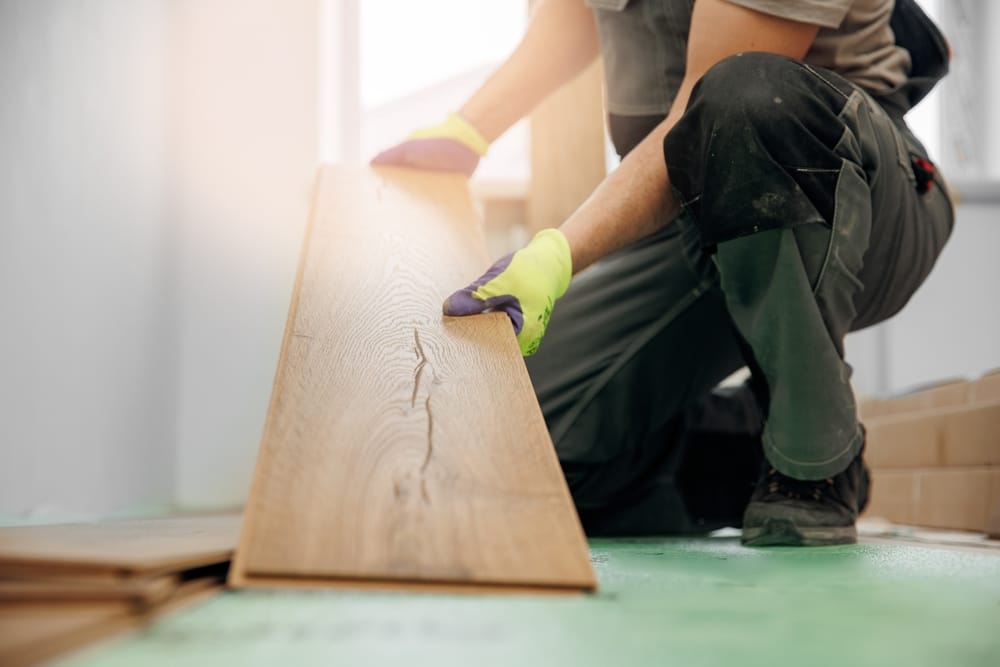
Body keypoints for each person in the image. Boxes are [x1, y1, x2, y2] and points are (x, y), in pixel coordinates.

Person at [372, 0, 954, 546]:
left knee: (747, 99)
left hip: (844, 191)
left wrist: (557, 254)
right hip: (693, 202)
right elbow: (578, 15)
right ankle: (740, 449)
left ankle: (814, 457)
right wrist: (469, 132)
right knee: (501, 450)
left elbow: (708, 108)